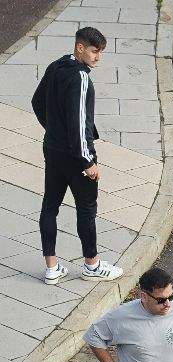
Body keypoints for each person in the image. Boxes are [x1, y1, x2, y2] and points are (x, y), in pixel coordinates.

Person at [31, 26, 123, 284]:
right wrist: (88, 162)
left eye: (101, 52)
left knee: (50, 205)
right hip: (75, 156)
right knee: (86, 208)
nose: (97, 57)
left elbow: (37, 102)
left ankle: (52, 269)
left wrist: (53, 131)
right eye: (94, 51)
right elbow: (80, 123)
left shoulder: (56, 66)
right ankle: (92, 265)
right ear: (79, 47)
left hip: (52, 149)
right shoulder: (81, 78)